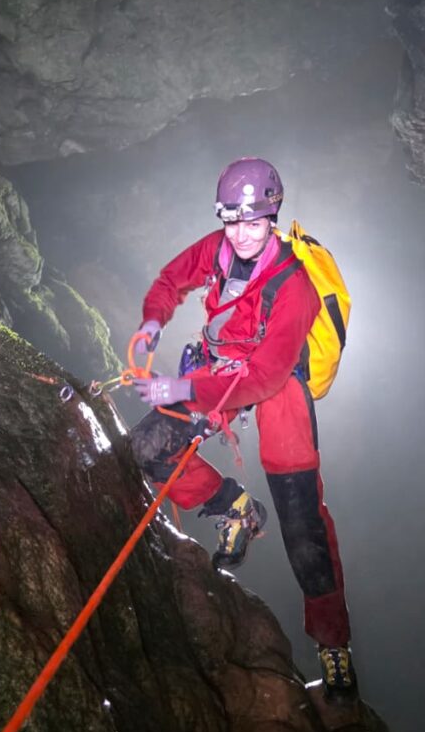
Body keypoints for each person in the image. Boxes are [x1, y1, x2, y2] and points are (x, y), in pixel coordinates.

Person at [129, 157, 357, 702]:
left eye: (254, 222)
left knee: (302, 521)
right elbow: (170, 279)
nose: (243, 234)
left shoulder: (295, 288)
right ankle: (233, 506)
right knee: (146, 448)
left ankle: (334, 644)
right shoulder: (218, 248)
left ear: (272, 216)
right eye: (233, 222)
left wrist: (182, 390)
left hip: (277, 387)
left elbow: (263, 378)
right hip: (221, 366)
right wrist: (153, 318)